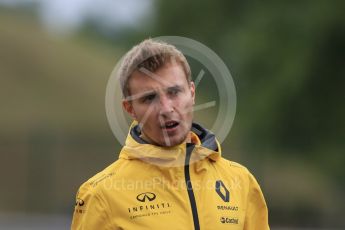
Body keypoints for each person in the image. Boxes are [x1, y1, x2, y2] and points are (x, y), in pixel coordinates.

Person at [71, 39, 269, 230]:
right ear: (130, 108)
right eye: (149, 98)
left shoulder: (241, 182)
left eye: (174, 92)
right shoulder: (101, 195)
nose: (166, 108)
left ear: (191, 93)